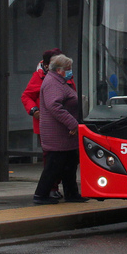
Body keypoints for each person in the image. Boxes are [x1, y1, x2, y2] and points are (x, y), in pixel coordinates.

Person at [33, 54, 86, 204]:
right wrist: (73, 124)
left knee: (69, 164)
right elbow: (54, 106)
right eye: (68, 69)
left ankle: (72, 193)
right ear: (59, 70)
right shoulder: (52, 83)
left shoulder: (60, 82)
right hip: (58, 133)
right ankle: (41, 195)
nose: (70, 72)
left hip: (65, 133)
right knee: (54, 165)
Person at [21, 48, 64, 200]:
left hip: (63, 122)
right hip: (46, 124)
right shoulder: (38, 77)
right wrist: (34, 111)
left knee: (66, 157)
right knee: (51, 158)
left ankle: (58, 186)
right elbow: (27, 96)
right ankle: (51, 188)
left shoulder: (65, 74)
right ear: (46, 65)